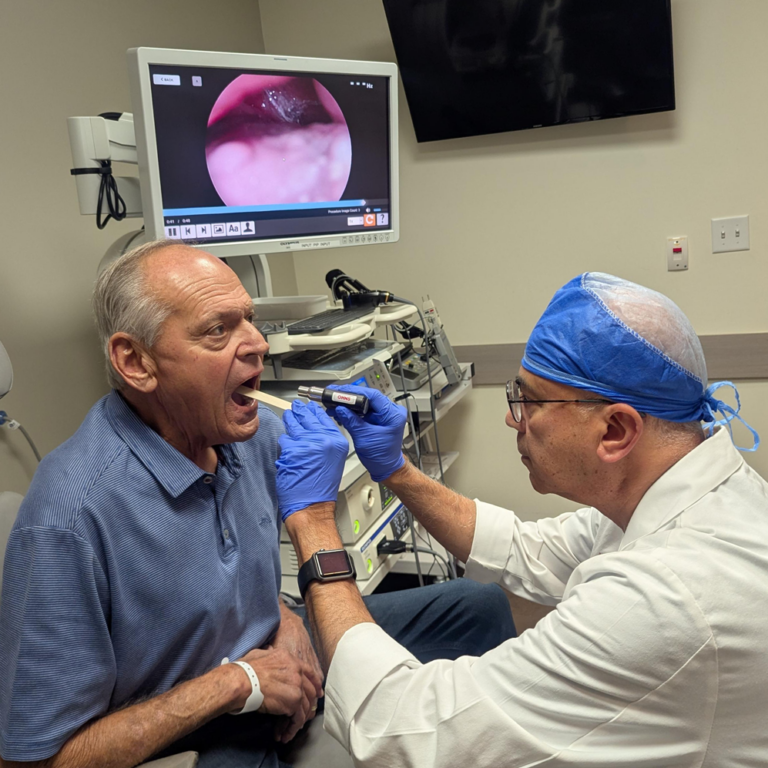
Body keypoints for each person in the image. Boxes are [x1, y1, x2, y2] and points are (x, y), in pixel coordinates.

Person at [0, 241, 514, 768]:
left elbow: (244, 580)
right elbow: (36, 760)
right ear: (136, 362)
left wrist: (285, 622)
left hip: (264, 649)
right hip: (195, 725)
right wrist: (235, 684)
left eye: (249, 319)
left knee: (476, 610)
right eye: (218, 330)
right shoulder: (70, 516)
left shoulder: (249, 433)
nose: (257, 344)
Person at [277, 272, 768, 767]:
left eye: (529, 401)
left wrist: (313, 521)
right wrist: (396, 471)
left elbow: (405, 728)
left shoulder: (666, 597)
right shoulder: (686, 492)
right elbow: (522, 548)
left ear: (616, 430)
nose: (513, 419)